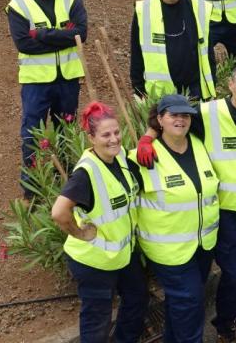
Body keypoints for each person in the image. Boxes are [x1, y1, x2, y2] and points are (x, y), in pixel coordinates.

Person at [136, 66, 236, 343]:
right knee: (232, 272)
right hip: (226, 210)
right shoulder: (208, 113)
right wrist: (147, 138)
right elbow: (170, 118)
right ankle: (225, 325)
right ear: (229, 85)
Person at [51, 102, 147, 343]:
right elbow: (59, 212)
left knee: (137, 299)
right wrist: (79, 233)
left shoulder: (120, 157)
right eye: (106, 134)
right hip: (94, 260)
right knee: (97, 322)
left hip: (122, 254)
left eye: (116, 132)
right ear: (91, 137)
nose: (114, 139)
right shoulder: (87, 172)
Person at [131, 94, 220, 342]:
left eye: (185, 115)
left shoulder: (200, 143)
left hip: (202, 244)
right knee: (190, 302)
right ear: (159, 119)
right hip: (168, 250)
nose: (180, 120)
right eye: (173, 115)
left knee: (182, 302)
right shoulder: (142, 157)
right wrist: (147, 138)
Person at [7, 0, 87, 199]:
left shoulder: (72, 0)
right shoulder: (18, 5)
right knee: (32, 133)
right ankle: (33, 189)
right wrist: (63, 35)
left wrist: (40, 34)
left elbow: (80, 35)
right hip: (36, 82)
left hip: (67, 80)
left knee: (67, 130)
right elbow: (24, 44)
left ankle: (65, 182)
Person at [130, 0, 216, 100]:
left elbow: (208, 52)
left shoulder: (199, 8)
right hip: (159, 93)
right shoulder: (144, 10)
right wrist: (138, 88)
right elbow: (137, 53)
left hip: (195, 92)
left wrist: (212, 83)